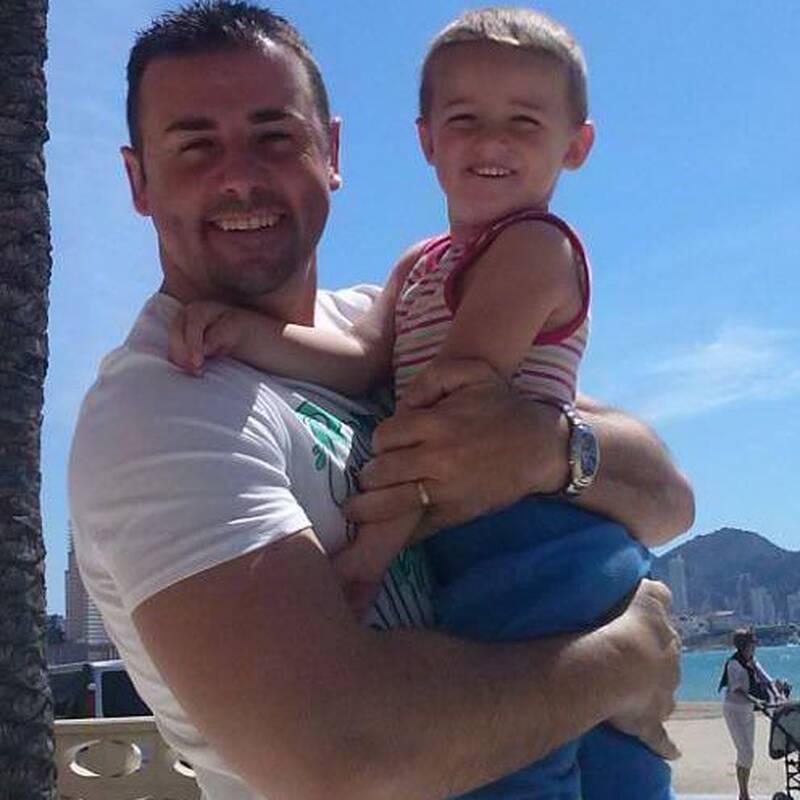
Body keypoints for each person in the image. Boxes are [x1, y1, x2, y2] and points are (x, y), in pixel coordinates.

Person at [68, 3, 691, 799]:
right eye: (195, 145)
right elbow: (342, 755)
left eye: (274, 136)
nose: (239, 175)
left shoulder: (392, 317)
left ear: (331, 152)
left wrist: (551, 451)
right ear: (137, 180)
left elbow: (669, 498)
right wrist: (623, 663)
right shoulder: (161, 410)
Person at [719, 629, 784, 800]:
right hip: (734, 710)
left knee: (748, 753)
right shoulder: (734, 664)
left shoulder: (751, 661)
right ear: (744, 645)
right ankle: (744, 794)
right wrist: (756, 700)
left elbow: (765, 678)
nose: (755, 646)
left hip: (747, 710)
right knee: (745, 752)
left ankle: (744, 793)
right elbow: (737, 690)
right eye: (752, 643)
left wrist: (776, 689)